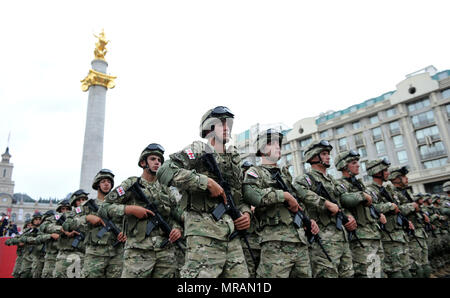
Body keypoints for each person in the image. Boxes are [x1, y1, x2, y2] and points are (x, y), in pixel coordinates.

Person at [157, 106, 251, 278]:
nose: (226, 127)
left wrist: (245, 213)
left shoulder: (233, 158)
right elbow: (165, 171)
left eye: (228, 123)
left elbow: (238, 196)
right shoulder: (199, 150)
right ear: (209, 128)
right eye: (221, 123)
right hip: (203, 233)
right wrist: (204, 182)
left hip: (231, 234)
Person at [243, 129, 319, 277]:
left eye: (279, 143)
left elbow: (297, 203)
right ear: (263, 148)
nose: (278, 146)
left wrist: (308, 220)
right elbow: (251, 195)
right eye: (272, 143)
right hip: (275, 241)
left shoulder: (285, 175)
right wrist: (282, 195)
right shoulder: (255, 172)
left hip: (299, 240)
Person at [99, 143, 183, 278]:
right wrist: (128, 209)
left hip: (165, 251)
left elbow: (177, 214)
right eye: (153, 159)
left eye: (159, 160)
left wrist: (178, 229)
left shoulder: (166, 188)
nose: (157, 162)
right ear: (143, 162)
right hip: (138, 252)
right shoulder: (131, 184)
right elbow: (104, 208)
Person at [292, 140, 356, 278]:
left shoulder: (333, 180)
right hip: (322, 238)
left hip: (341, 236)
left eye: (328, 154)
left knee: (348, 274)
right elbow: (302, 193)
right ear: (314, 157)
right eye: (324, 154)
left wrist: (349, 216)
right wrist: (326, 203)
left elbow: (341, 203)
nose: (328, 157)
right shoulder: (304, 179)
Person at [335, 150, 386, 278]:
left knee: (377, 273)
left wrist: (378, 214)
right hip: (360, 237)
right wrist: (362, 195)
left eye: (357, 162)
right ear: (345, 166)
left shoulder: (360, 184)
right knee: (366, 274)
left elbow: (371, 205)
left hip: (373, 234)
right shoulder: (339, 184)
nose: (358, 165)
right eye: (353, 162)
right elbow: (342, 201)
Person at [68, 169, 126, 278]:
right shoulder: (87, 206)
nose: (106, 184)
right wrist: (87, 218)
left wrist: (125, 233)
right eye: (103, 181)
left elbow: (127, 222)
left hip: (116, 253)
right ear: (97, 184)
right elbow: (68, 223)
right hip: (95, 254)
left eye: (109, 182)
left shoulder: (119, 205)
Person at [365, 158, 412, 278]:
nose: (388, 173)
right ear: (377, 172)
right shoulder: (370, 190)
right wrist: (389, 206)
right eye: (385, 170)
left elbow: (399, 207)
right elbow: (371, 207)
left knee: (406, 271)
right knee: (396, 273)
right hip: (388, 237)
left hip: (398, 234)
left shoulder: (386, 190)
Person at [388, 166, 431, 278]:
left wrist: (422, 215)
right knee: (414, 268)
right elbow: (396, 209)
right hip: (408, 234)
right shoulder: (391, 192)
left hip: (417, 230)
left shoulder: (406, 192)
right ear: (396, 178)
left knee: (423, 264)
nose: (406, 179)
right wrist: (412, 206)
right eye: (403, 176)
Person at [54, 190, 88, 278]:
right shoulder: (68, 215)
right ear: (74, 202)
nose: (81, 202)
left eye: (83, 199)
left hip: (82, 254)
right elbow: (48, 226)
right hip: (65, 254)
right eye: (79, 200)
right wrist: (64, 231)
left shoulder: (92, 214)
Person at [39, 200, 71, 278]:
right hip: (52, 256)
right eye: (63, 209)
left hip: (69, 254)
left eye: (67, 209)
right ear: (59, 210)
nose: (65, 211)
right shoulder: (54, 218)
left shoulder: (74, 218)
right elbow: (43, 226)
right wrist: (59, 229)